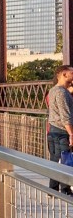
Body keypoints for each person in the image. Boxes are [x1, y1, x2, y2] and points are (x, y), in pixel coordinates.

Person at [45, 64, 73, 194]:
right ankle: (65, 190)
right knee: (65, 160)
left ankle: (53, 189)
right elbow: (65, 115)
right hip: (62, 132)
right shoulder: (62, 93)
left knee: (56, 159)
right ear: (64, 74)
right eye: (71, 72)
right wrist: (71, 134)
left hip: (53, 130)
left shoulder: (53, 90)